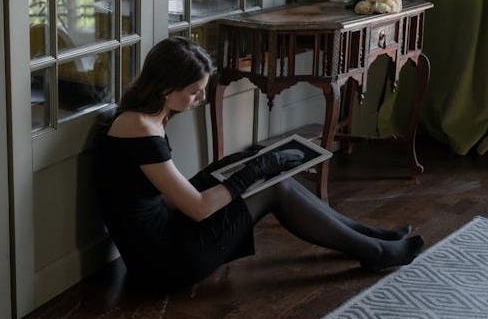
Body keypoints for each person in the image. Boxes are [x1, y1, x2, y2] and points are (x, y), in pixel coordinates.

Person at [95, 36, 424, 290]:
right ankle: (376, 252)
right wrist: (254, 170)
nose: (201, 98)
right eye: (195, 92)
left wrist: (242, 164)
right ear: (167, 87)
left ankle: (370, 236)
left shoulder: (147, 117)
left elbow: (167, 197)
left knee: (267, 174)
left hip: (165, 234)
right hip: (165, 261)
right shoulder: (140, 128)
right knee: (274, 186)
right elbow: (197, 208)